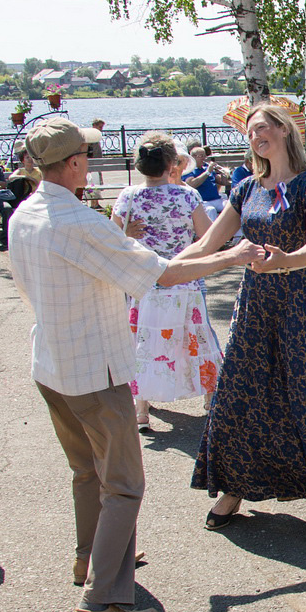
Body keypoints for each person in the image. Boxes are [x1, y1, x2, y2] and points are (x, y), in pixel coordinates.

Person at [8, 117, 264, 612]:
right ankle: (99, 603)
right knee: (123, 484)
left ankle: (90, 562)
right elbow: (161, 273)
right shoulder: (76, 220)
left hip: (52, 363)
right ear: (77, 162)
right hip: (92, 367)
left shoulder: (26, 213)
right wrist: (233, 254)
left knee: (88, 473)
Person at [190, 103, 306, 537]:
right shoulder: (246, 187)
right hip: (254, 301)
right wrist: (159, 269)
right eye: (251, 131)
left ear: (282, 131)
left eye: (262, 129)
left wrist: (285, 261)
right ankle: (234, 486)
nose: (256, 137)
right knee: (240, 392)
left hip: (294, 300)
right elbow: (208, 243)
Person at [111, 132, 223, 431]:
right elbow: (208, 237)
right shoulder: (187, 196)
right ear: (172, 164)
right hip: (184, 281)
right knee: (197, 338)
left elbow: (111, 240)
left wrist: (131, 235)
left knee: (144, 343)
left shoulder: (128, 197)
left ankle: (142, 407)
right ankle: (211, 397)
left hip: (144, 283)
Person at [182, 142, 229, 221]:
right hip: (203, 201)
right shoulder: (189, 170)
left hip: (217, 199)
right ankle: (213, 233)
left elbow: (222, 182)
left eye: (204, 156)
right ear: (193, 157)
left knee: (231, 206)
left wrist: (223, 174)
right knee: (211, 210)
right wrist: (207, 172)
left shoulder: (207, 168)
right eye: (201, 156)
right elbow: (192, 184)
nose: (204, 158)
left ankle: (235, 233)